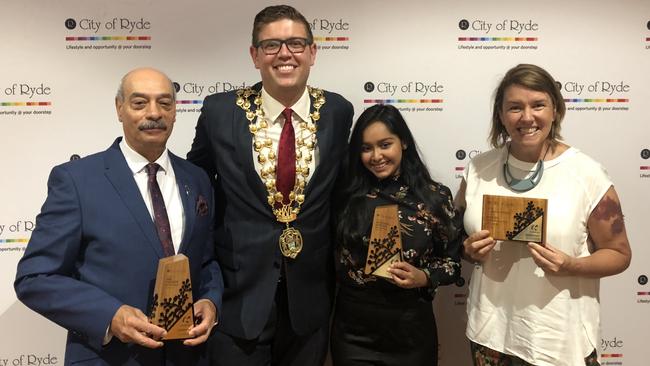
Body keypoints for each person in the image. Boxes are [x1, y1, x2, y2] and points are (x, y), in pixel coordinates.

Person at [14, 67, 224, 366]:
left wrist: (210, 300)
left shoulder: (197, 178)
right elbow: (35, 277)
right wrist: (109, 316)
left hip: (188, 357)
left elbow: (206, 261)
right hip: (109, 358)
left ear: (176, 111)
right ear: (119, 109)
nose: (154, 113)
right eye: (140, 103)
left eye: (165, 103)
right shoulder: (76, 181)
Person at [187, 5, 353, 366]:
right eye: (271, 45)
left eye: (295, 43)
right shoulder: (220, 111)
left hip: (309, 298)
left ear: (312, 51)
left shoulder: (338, 112)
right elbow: (196, 185)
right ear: (254, 55)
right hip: (238, 295)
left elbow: (342, 191)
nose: (284, 54)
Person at [456, 64, 632, 366]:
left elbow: (619, 254)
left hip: (559, 341)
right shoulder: (478, 168)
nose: (527, 117)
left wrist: (572, 265)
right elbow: (458, 236)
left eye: (538, 105)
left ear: (555, 110)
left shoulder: (587, 174)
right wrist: (468, 250)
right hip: (490, 335)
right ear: (500, 115)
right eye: (514, 107)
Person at [330, 104, 462, 366]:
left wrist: (424, 277)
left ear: (403, 142)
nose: (376, 155)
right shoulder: (343, 195)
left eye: (385, 144)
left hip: (411, 329)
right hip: (353, 332)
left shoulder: (435, 197)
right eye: (366, 148)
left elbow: (452, 264)